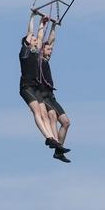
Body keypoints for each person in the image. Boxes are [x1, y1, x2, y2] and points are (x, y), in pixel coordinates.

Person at [19, 13, 70, 163]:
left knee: (47, 115)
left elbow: (40, 37)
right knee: (39, 113)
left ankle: (53, 141)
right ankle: (49, 137)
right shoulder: (25, 53)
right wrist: (32, 18)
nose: (36, 40)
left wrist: (43, 23)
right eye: (33, 40)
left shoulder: (37, 54)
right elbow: (30, 33)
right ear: (27, 43)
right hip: (27, 87)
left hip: (37, 89)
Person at [39, 25, 72, 150]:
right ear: (42, 50)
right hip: (43, 95)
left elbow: (52, 41)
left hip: (51, 97)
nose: (51, 50)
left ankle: (59, 150)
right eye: (48, 49)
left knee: (66, 122)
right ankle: (55, 142)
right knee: (52, 115)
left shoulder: (46, 61)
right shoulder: (38, 59)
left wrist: (53, 26)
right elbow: (44, 42)